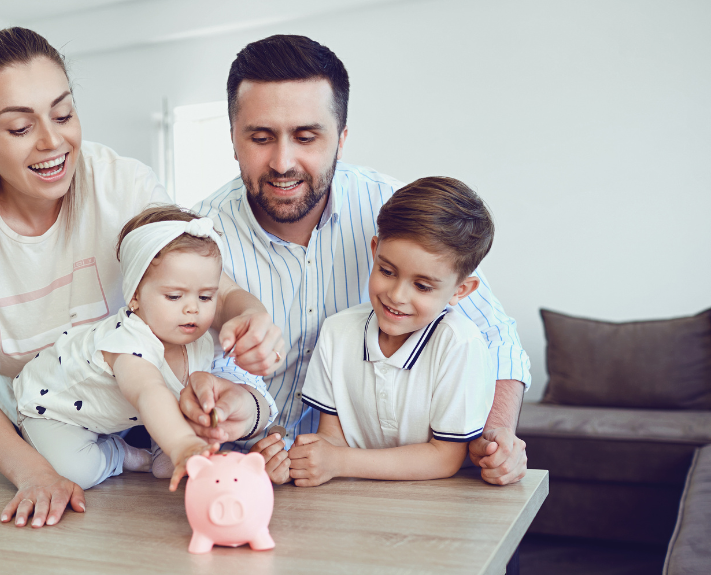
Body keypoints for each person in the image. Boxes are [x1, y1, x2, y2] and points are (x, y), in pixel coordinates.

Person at [0, 27, 283, 529]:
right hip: (51, 426)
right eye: (20, 128)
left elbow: (205, 287)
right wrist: (35, 474)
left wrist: (249, 313)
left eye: (64, 114)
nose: (53, 141)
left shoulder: (122, 184)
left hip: (143, 416)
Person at [188, 34, 529, 485]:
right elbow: (189, 371)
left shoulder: (392, 209)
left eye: (306, 137)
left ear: (341, 139)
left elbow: (495, 336)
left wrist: (498, 433)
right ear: (233, 138)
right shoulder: (196, 238)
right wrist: (245, 430)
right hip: (241, 477)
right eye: (261, 137)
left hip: (375, 479)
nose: (283, 162)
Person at [14, 206, 248, 492]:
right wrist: (183, 443)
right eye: (174, 296)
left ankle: (161, 448)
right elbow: (148, 391)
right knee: (76, 473)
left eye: (206, 296)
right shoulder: (128, 341)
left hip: (114, 415)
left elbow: (178, 397)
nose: (192, 308)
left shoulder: (200, 342)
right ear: (135, 295)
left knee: (167, 466)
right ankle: (119, 453)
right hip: (51, 409)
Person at [286, 177, 496, 485]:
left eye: (422, 286)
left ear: (461, 290)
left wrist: (339, 461)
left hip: (435, 507)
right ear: (375, 250)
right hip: (353, 504)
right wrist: (306, 458)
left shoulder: (459, 345)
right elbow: (331, 438)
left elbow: (445, 457)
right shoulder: (337, 332)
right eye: (387, 271)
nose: (397, 295)